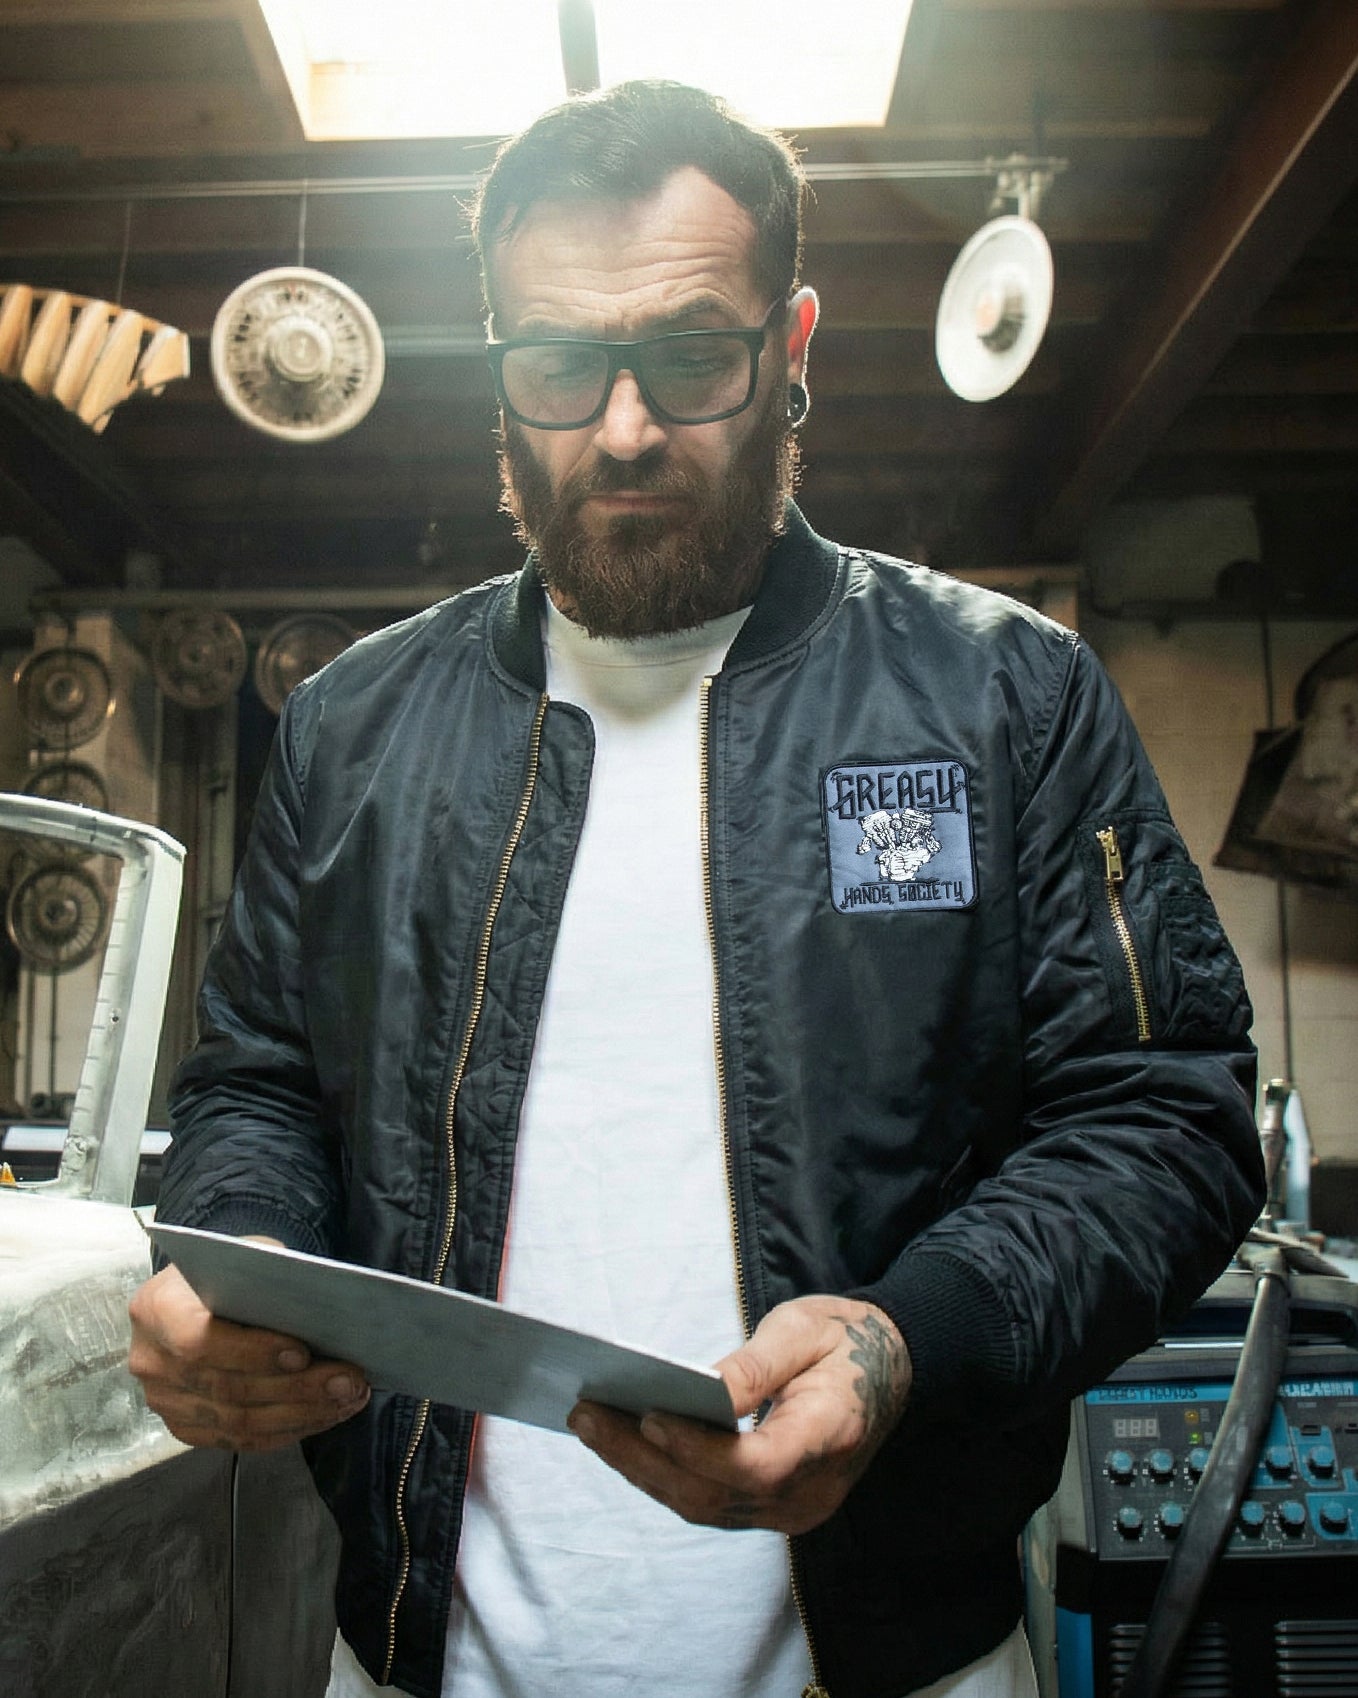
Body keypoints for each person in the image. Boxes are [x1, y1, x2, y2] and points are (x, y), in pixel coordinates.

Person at [129, 80, 1263, 1698]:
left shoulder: (1005, 700)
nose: (623, 427)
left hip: (899, 1661)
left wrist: (902, 1341)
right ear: (496, 365)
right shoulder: (353, 727)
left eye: (689, 355)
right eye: (556, 362)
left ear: (791, 345)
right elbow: (256, 1083)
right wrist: (237, 1260)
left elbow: (1163, 1114)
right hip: (419, 1660)